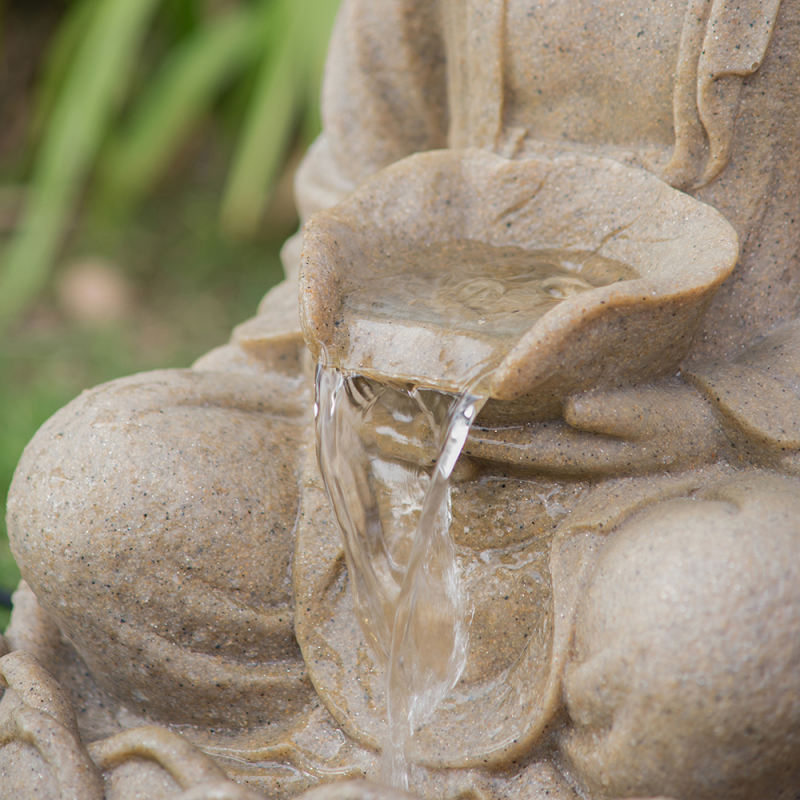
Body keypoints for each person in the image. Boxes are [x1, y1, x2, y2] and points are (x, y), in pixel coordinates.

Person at [6, 1, 800, 798]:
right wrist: (327, 350)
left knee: (728, 631)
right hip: (396, 441)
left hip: (683, 491)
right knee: (91, 488)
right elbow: (355, 203)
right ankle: (319, 755)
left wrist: (720, 412)